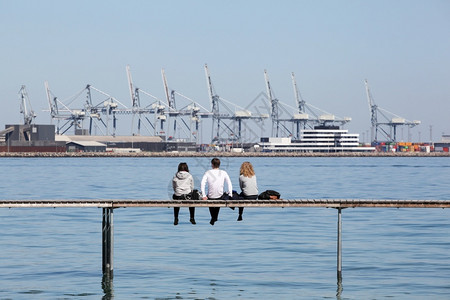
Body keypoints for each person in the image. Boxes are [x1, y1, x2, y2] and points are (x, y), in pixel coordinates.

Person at [201, 157, 232, 225]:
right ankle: (215, 217)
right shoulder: (224, 172)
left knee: (210, 200)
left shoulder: (208, 172)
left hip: (211, 196)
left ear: (212, 164)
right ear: (219, 164)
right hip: (220, 196)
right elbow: (229, 183)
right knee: (219, 198)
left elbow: (202, 184)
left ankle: (213, 217)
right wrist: (230, 194)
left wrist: (203, 195)